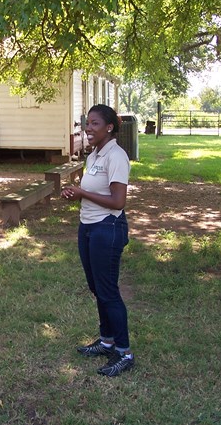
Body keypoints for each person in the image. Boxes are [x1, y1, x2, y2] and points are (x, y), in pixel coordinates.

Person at [61, 104, 134, 377]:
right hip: (88, 227)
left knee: (108, 291)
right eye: (86, 123)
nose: (88, 128)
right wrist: (75, 194)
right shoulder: (94, 155)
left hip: (108, 229)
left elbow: (118, 201)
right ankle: (107, 341)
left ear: (109, 127)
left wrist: (82, 193)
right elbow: (91, 190)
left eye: (94, 124)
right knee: (96, 287)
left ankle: (124, 352)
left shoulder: (116, 156)